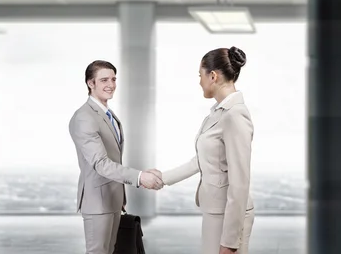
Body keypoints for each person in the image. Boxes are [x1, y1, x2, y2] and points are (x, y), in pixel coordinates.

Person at [152, 46, 255, 254]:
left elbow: (240, 181)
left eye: (200, 75)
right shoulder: (218, 113)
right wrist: (162, 177)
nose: (199, 81)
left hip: (228, 216)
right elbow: (202, 160)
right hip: (215, 210)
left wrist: (230, 241)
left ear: (213, 76)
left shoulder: (234, 116)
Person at [69, 60, 163, 254]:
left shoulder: (108, 114)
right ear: (90, 83)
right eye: (104, 80)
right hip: (98, 202)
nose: (111, 85)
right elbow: (101, 163)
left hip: (113, 199)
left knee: (111, 251)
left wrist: (139, 177)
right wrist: (139, 177)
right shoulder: (84, 117)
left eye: (113, 79)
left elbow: (114, 157)